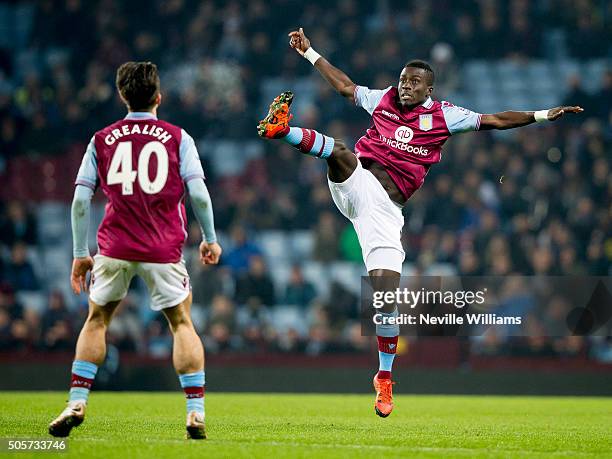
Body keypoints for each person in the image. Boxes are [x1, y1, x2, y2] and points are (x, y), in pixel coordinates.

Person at [257, 28, 583, 418]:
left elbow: (496, 119)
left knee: (385, 299)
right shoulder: (383, 100)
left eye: (414, 82)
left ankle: (384, 379)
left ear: (429, 88)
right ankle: (282, 130)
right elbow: (345, 86)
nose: (405, 86)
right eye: (402, 79)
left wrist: (544, 114)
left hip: (384, 214)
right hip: (357, 183)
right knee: (340, 151)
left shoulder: (446, 116)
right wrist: (309, 52)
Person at [49, 61, 222, 440]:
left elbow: (80, 200)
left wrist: (81, 252)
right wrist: (210, 237)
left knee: (97, 321)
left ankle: (77, 401)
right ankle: (194, 411)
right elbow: (197, 193)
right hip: (164, 249)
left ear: (122, 96)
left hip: (115, 246)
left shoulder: (101, 139)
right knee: (181, 324)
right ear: (158, 97)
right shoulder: (178, 137)